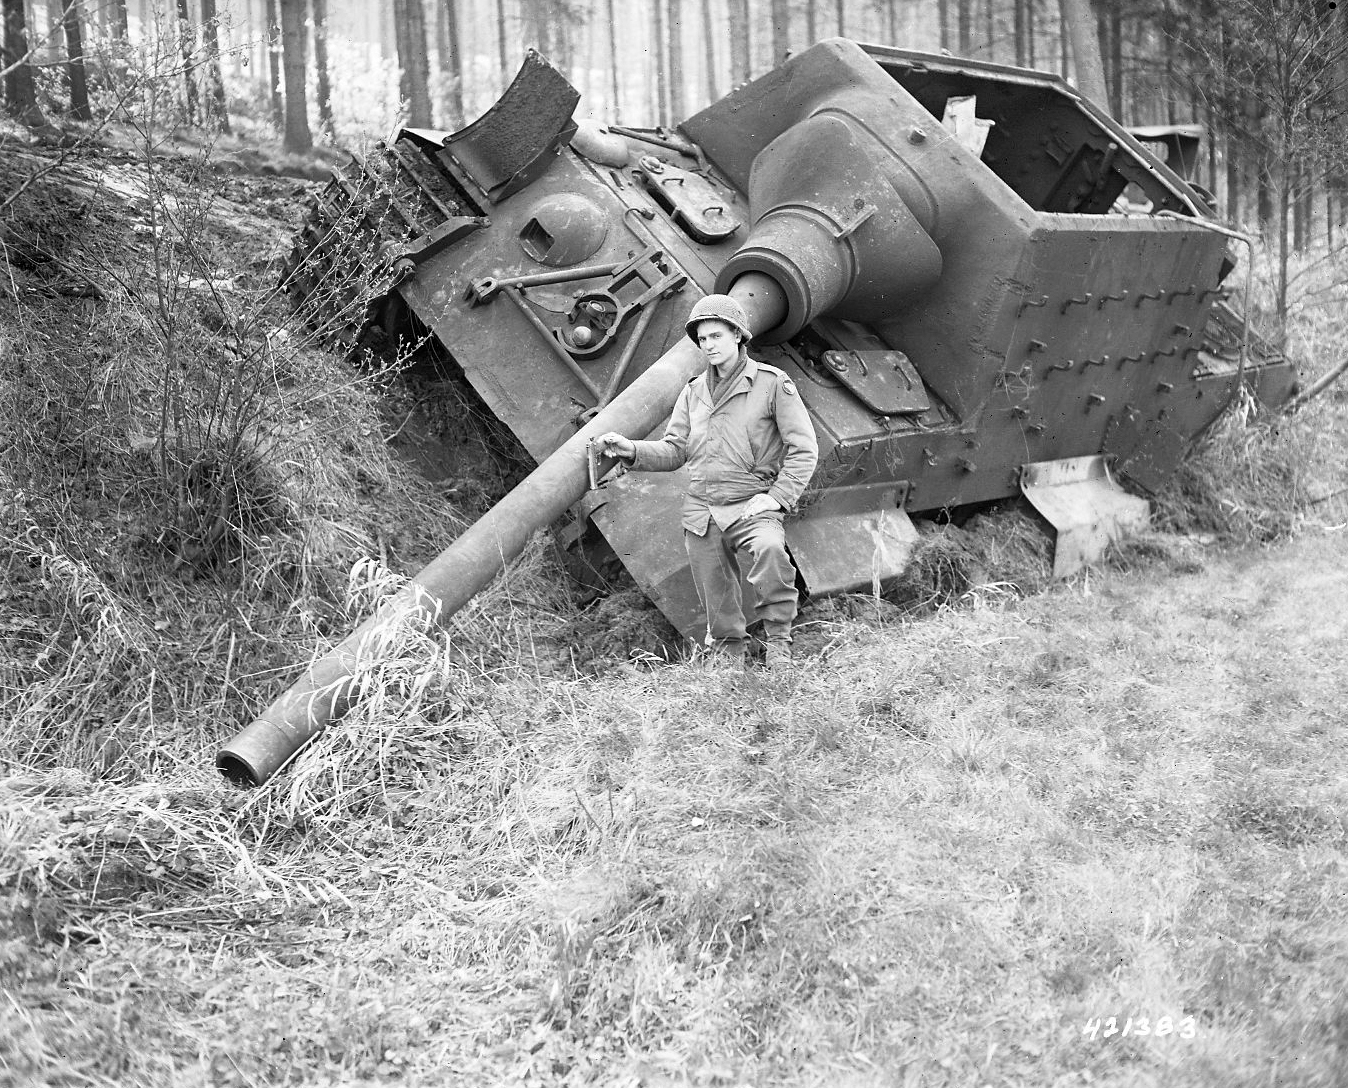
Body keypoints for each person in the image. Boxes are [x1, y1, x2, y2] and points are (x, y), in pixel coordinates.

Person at [595, 294, 818, 668]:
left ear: (737, 334)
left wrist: (778, 497)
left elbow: (804, 447)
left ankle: (779, 644)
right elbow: (675, 450)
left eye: (715, 336)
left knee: (770, 553)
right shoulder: (693, 391)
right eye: (701, 339)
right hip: (702, 509)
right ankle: (730, 658)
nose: (708, 345)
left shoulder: (772, 384)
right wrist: (630, 450)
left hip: (751, 504)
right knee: (715, 590)